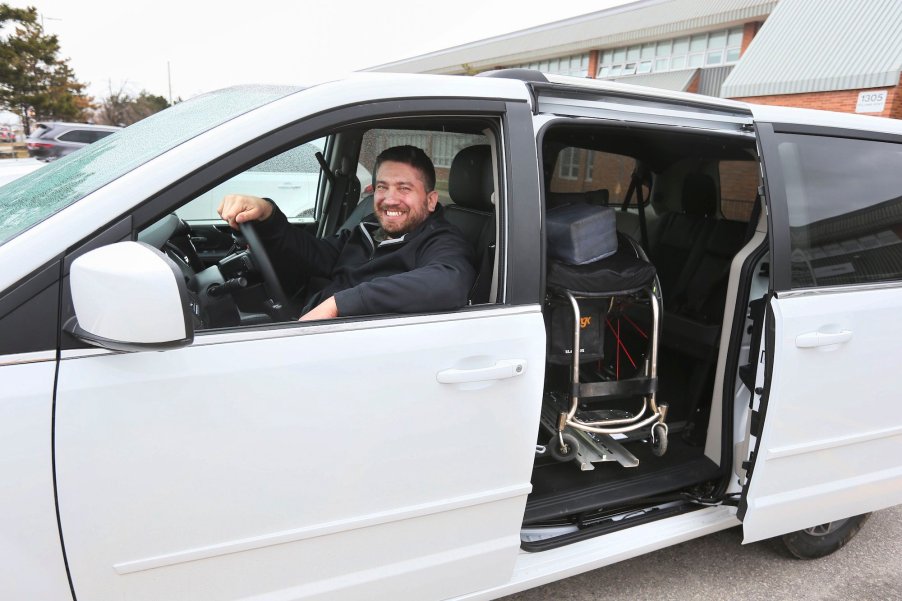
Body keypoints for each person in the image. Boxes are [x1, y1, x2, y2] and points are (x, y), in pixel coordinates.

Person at [217, 145, 476, 321]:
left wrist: (338, 304)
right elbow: (317, 254)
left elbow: (449, 283)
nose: (390, 199)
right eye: (382, 187)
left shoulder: (442, 240)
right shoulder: (369, 228)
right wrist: (268, 215)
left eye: (404, 188)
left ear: (431, 200)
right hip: (313, 328)